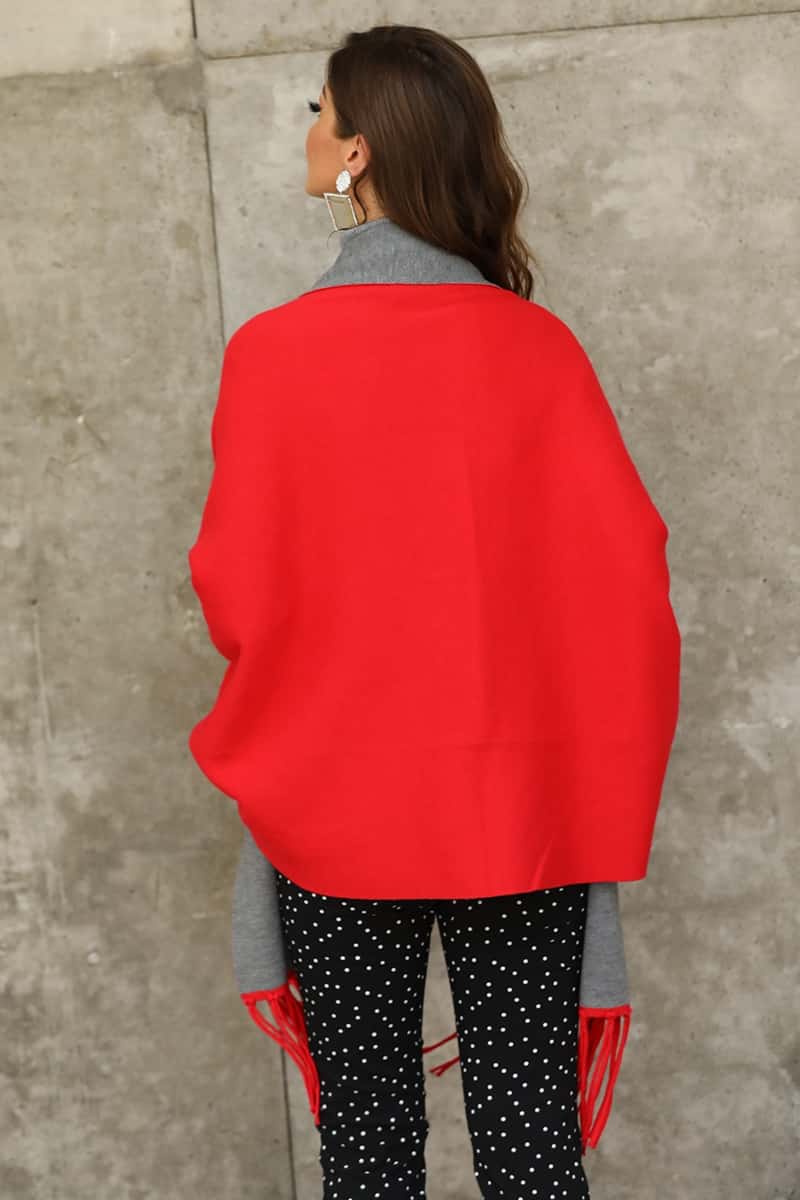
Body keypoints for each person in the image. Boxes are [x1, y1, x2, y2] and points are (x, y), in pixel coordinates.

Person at [187, 24, 681, 1200]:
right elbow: (623, 587)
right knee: (530, 1146)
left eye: (319, 112)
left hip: (334, 802)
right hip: (519, 810)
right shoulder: (536, 351)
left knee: (365, 1143)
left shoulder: (272, 354)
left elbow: (237, 587)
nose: (309, 135)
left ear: (356, 151)